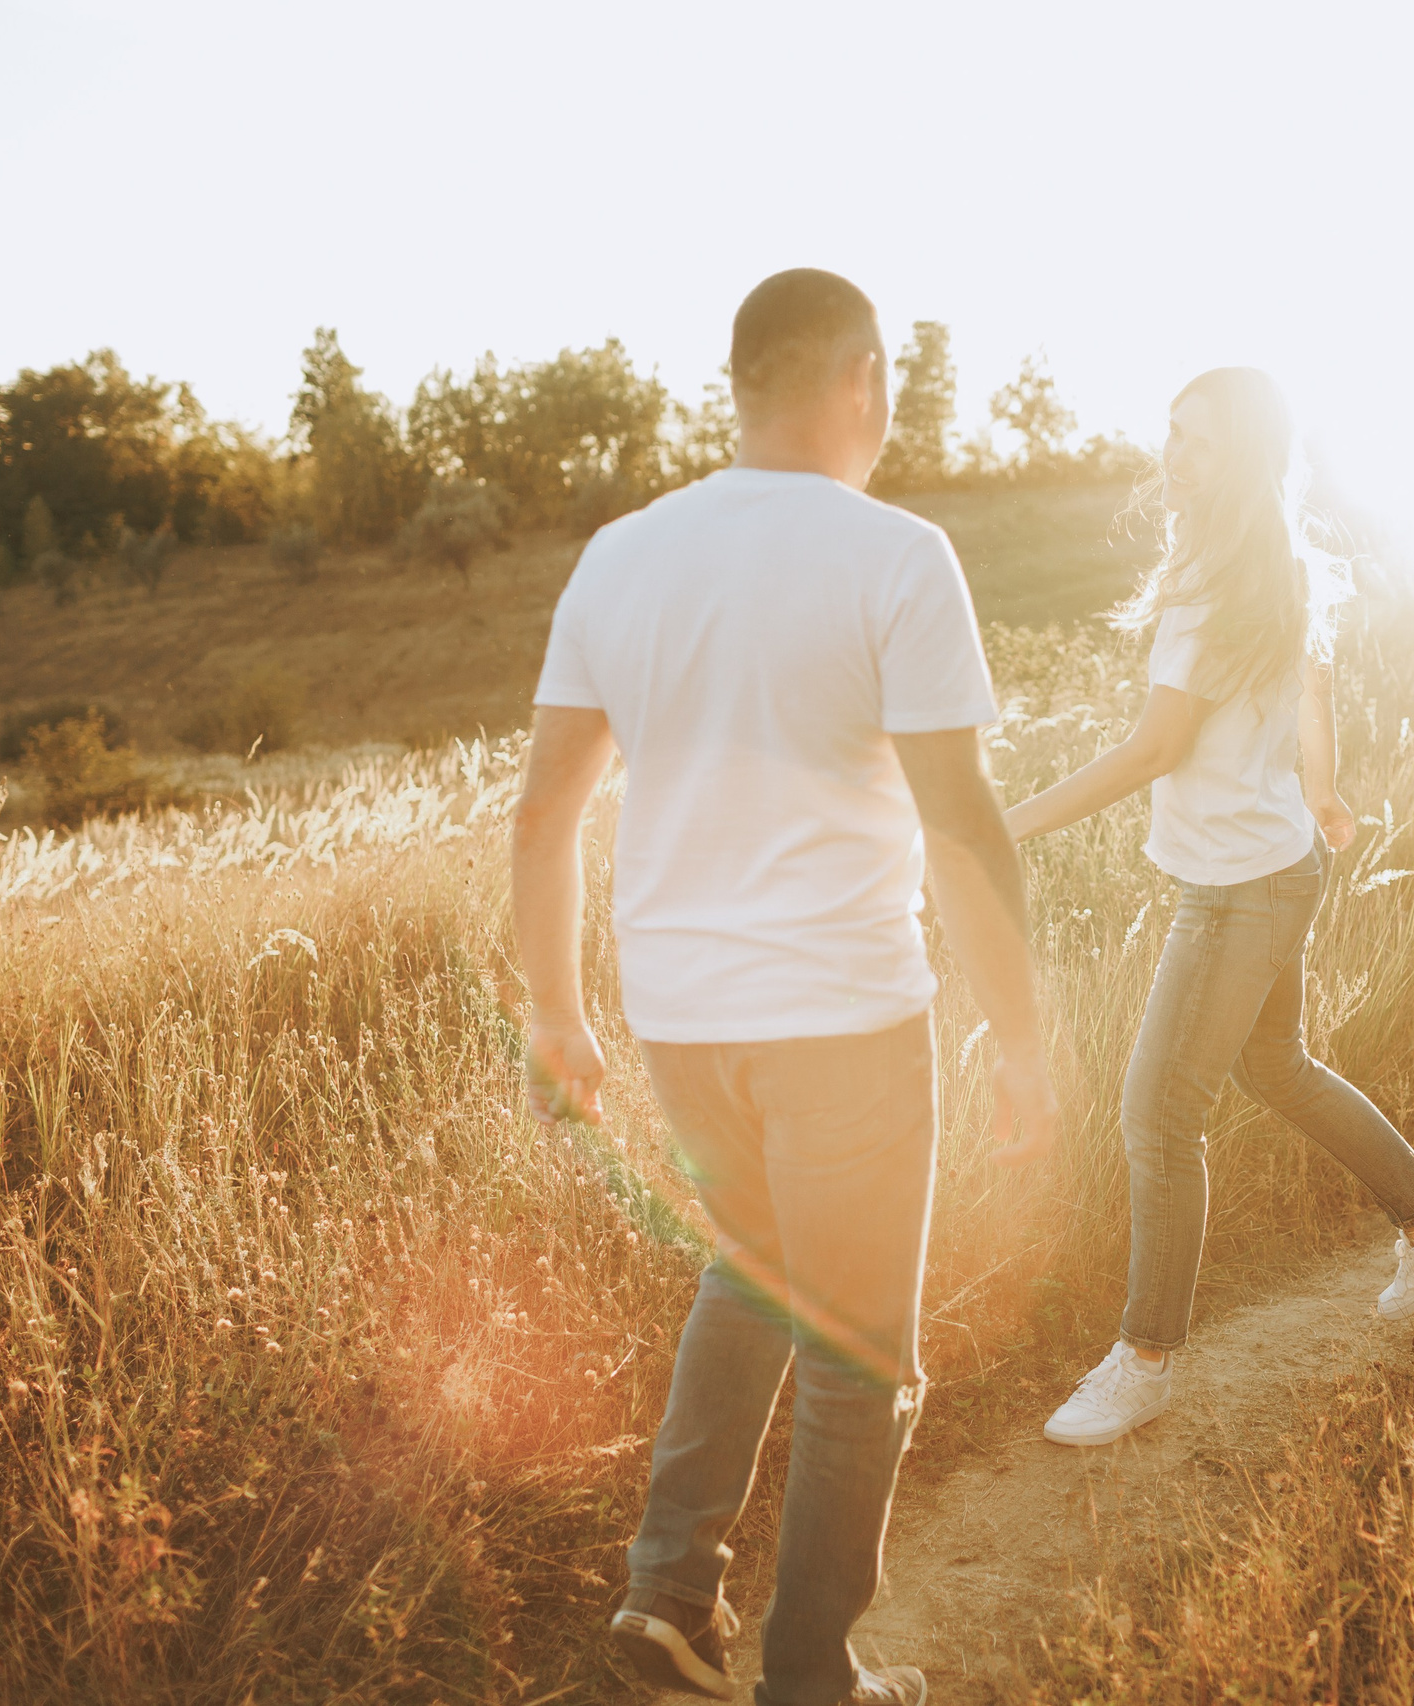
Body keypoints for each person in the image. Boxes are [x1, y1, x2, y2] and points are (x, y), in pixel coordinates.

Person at [512, 268, 1058, 1706]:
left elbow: (544, 808)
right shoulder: (896, 555)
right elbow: (961, 816)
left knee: (746, 1281)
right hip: (848, 1016)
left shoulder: (621, 556)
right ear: (861, 374)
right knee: (856, 1355)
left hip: (683, 1018)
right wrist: (1023, 1032)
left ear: (739, 382)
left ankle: (664, 1599)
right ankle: (812, 1673)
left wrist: (556, 1014)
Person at [1002, 366, 1414, 1449]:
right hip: (1274, 864)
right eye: (1171, 434)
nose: (1174, 456)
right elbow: (1311, 694)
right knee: (1274, 1066)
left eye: (1201, 442)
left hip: (1234, 892)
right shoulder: (1270, 564)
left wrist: (1010, 823)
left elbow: (1155, 746)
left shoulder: (1220, 584)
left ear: (1247, 459)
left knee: (1157, 1116)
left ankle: (1144, 1359)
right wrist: (1320, 790)